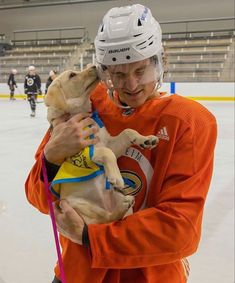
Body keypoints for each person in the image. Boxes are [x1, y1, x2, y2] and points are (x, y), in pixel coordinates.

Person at [25, 4, 217, 283]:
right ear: (105, 72)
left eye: (140, 70)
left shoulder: (188, 121)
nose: (131, 85)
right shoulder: (88, 106)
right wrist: (51, 156)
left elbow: (179, 229)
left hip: (149, 276)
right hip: (78, 273)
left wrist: (89, 236)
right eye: (118, 74)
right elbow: (40, 198)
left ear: (159, 61)